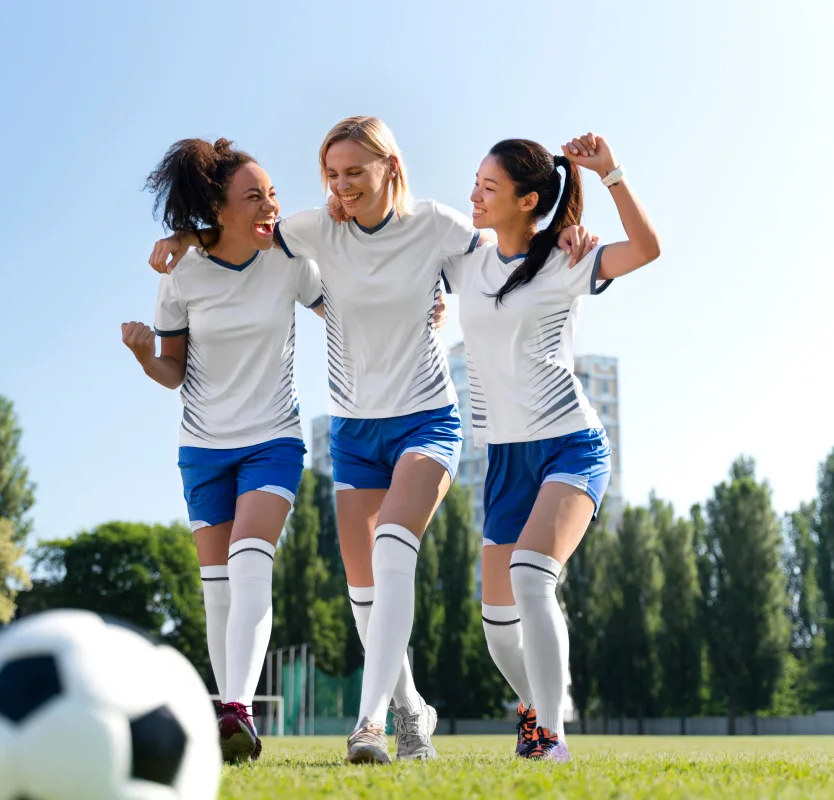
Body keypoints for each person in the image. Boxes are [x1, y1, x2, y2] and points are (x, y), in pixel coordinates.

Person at [150, 117, 596, 764]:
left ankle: (369, 725)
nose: (341, 185)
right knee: (365, 598)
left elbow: (509, 251)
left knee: (393, 547)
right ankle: (413, 712)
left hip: (427, 419)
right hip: (354, 431)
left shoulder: (440, 226)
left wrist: (567, 234)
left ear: (392, 166)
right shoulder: (309, 232)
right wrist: (184, 235)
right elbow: (244, 233)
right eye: (331, 174)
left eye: (355, 171)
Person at [440, 132, 660, 762]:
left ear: (527, 198)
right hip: (506, 458)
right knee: (496, 627)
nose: (475, 196)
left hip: (570, 445)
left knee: (533, 578)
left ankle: (551, 743)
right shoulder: (466, 261)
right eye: (475, 182)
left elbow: (646, 249)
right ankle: (540, 704)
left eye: (489, 187)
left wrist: (611, 172)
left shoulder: (567, 259)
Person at [123, 137, 325, 764]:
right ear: (219, 206)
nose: (271, 204)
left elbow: (346, 308)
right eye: (255, 196)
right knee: (217, 589)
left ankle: (234, 708)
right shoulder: (182, 274)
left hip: (273, 439)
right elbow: (173, 372)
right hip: (204, 449)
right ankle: (228, 711)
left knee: (248, 560)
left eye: (273, 193)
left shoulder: (291, 258)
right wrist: (141, 354)